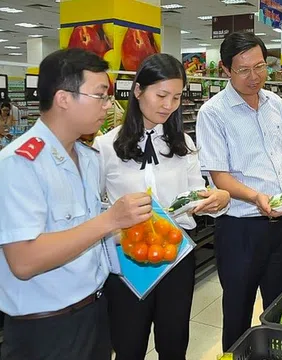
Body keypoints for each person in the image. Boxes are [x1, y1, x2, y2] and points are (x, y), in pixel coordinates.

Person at [0, 48, 152, 360]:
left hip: (94, 312)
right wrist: (110, 220)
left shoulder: (89, 157)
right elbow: (24, 261)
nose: (108, 105)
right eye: (100, 95)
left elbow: (87, 233)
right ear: (64, 98)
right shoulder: (19, 164)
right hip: (45, 329)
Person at [93, 53, 230, 360]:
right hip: (128, 262)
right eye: (162, 95)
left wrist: (215, 199)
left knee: (174, 342)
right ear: (138, 91)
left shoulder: (184, 144)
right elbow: (93, 207)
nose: (169, 105)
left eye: (177, 97)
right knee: (129, 345)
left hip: (176, 257)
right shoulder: (106, 147)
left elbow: (197, 194)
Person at [196, 32, 282, 351]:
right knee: (237, 309)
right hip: (240, 229)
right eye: (243, 70)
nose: (254, 77)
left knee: (279, 307)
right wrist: (256, 197)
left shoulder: (275, 102)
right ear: (225, 70)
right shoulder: (213, 113)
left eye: (260, 66)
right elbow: (219, 176)